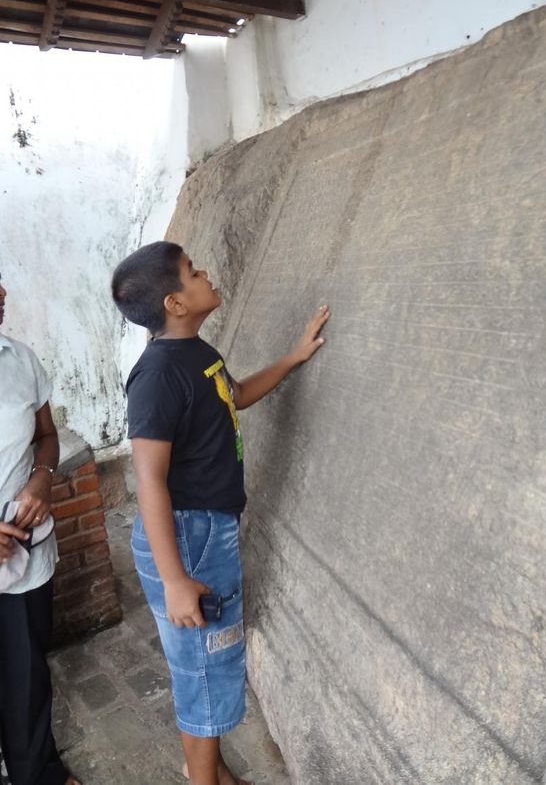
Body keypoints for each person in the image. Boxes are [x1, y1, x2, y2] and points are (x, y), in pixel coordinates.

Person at [111, 242, 328, 785]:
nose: (205, 273)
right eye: (192, 271)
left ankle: (206, 767)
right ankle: (203, 779)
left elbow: (236, 395)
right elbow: (149, 481)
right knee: (206, 668)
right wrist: (175, 578)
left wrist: (292, 357)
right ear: (175, 303)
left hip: (205, 531)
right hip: (189, 538)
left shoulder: (198, 354)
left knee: (204, 662)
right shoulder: (158, 376)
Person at [0, 275, 81, 785]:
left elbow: (47, 437)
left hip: (22, 556)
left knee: (25, 673)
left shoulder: (19, 359)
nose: (2, 293)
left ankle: (37, 773)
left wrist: (41, 481)